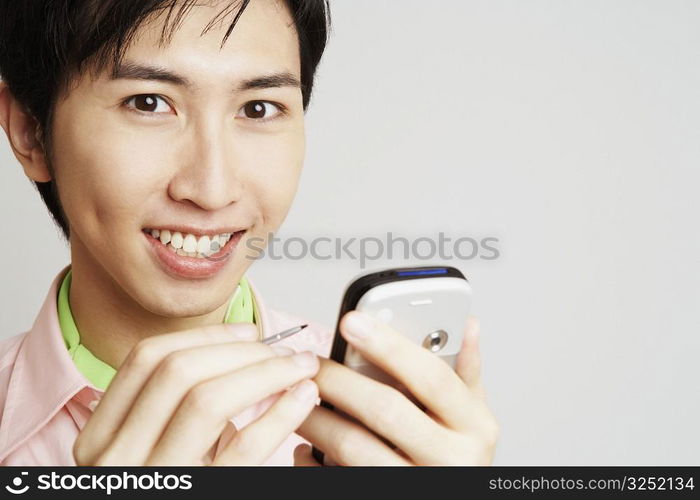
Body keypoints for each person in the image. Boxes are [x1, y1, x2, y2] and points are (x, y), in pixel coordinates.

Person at [0, 0, 498, 465]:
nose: (212, 190)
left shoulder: (383, 422)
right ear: (29, 131)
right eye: (148, 102)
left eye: (258, 108)